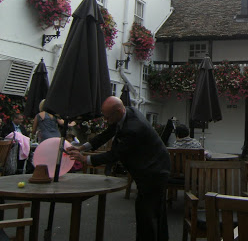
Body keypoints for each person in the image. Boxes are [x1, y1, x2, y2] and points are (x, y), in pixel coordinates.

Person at [68, 96, 171, 241]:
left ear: (118, 112)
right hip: (153, 167)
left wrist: (85, 159)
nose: (105, 120)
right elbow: (106, 134)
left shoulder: (133, 128)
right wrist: (83, 147)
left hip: (154, 171)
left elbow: (114, 155)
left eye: (107, 117)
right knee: (155, 211)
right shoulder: (127, 112)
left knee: (146, 213)